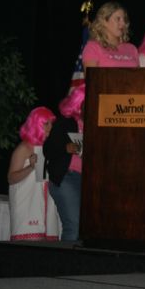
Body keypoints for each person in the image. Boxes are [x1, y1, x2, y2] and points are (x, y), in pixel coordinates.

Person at [8, 106, 61, 241]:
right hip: (26, 205)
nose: (49, 127)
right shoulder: (24, 148)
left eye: (50, 123)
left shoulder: (45, 148)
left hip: (42, 205)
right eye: (45, 123)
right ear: (36, 123)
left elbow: (43, 179)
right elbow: (11, 178)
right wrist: (30, 168)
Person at [43, 84, 85, 242]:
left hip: (88, 182)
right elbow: (48, 149)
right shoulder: (65, 122)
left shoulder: (98, 125)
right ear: (78, 102)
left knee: (83, 231)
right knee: (73, 227)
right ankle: (66, 265)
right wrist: (65, 147)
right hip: (67, 177)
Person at [82, 1, 139, 72]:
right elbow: (92, 80)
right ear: (104, 21)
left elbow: (139, 79)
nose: (123, 23)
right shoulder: (93, 47)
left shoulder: (132, 49)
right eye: (118, 19)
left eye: (124, 19)